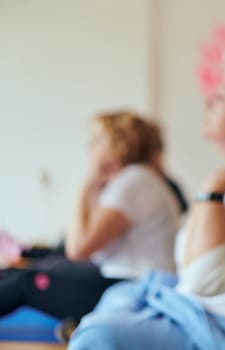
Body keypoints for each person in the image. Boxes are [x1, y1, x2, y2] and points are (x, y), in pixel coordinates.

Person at [68, 57, 225, 350]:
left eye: (222, 96)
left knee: (97, 338)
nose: (209, 101)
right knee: (116, 299)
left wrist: (210, 192)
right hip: (215, 318)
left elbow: (202, 280)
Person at [0, 111, 183, 324]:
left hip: (135, 289)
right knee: (17, 273)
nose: (89, 146)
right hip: (131, 282)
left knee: (24, 283)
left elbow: (77, 249)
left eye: (97, 139)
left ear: (120, 145)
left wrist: (86, 186)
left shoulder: (133, 182)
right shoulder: (137, 180)